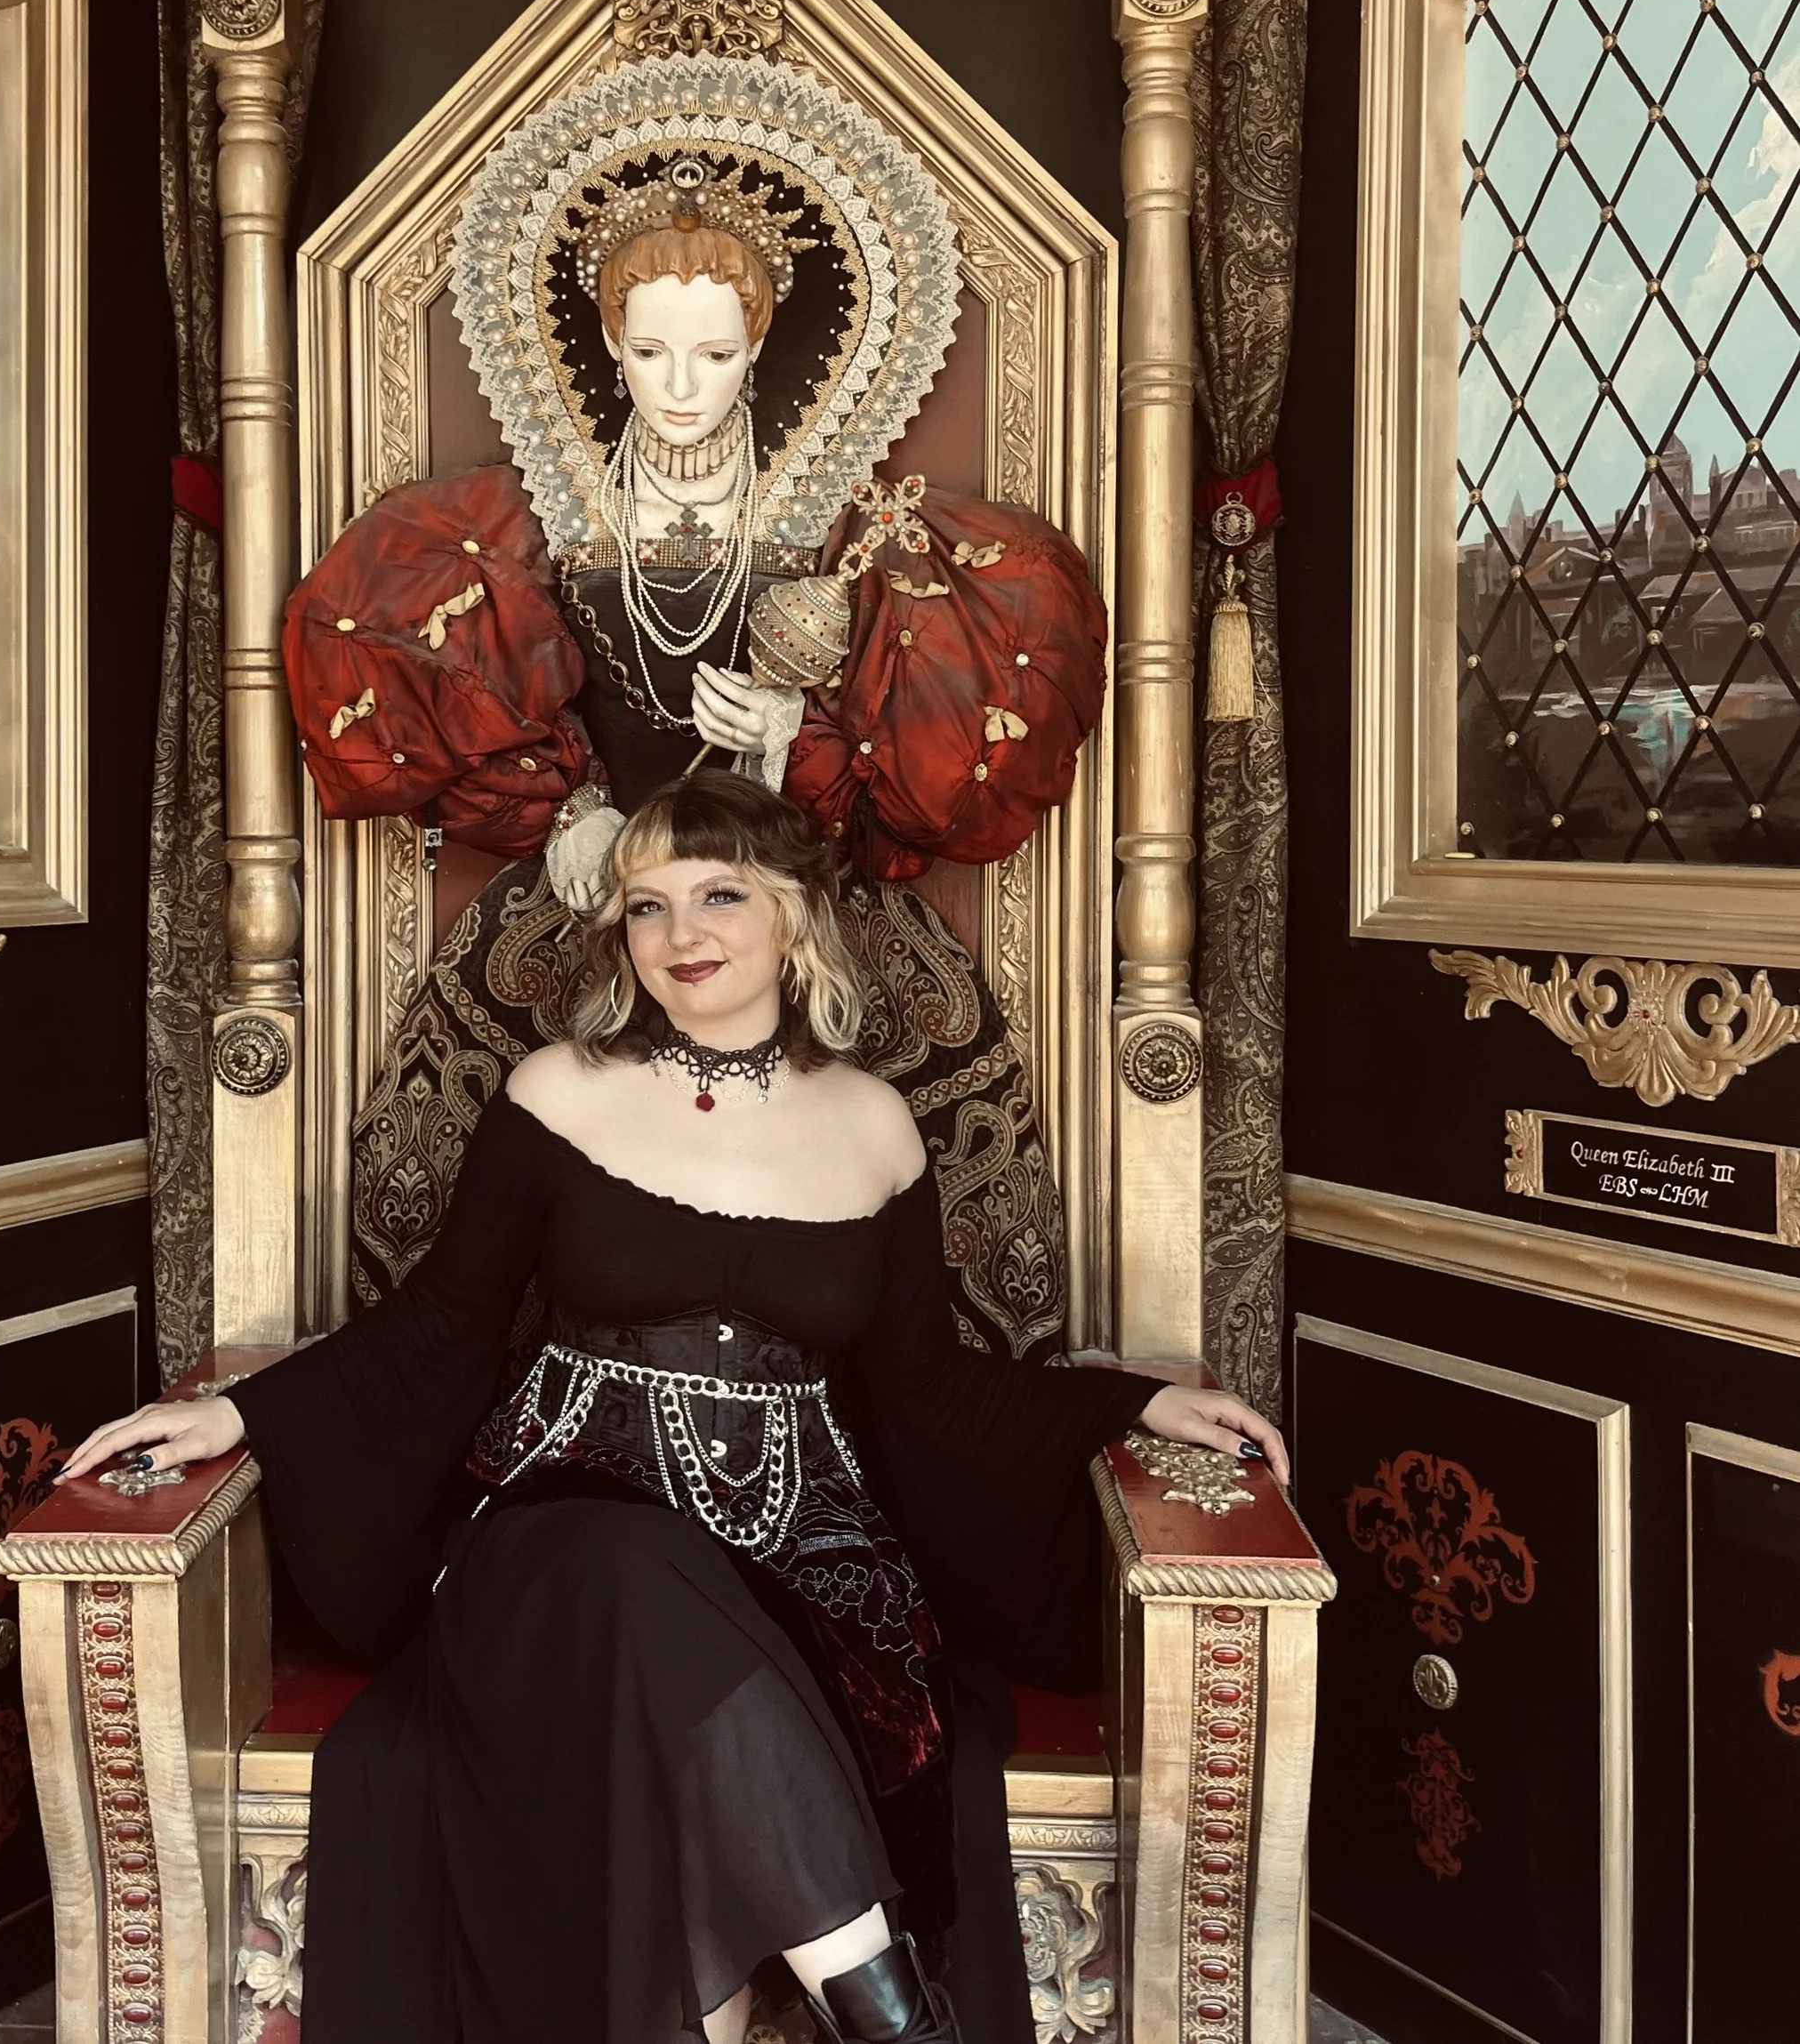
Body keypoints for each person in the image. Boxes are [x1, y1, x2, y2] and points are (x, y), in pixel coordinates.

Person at [65, 771, 1287, 2044]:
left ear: (797, 917)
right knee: (630, 1569)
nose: (681, 935)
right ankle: (890, 2012)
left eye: (718, 897)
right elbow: (441, 1327)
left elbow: (926, 1384)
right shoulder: (557, 1091)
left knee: (702, 1709)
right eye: (646, 907)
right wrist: (241, 1417)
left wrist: (1136, 1405)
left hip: (797, 1557)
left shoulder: (876, 1125)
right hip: (557, 1526)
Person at [290, 53, 1105, 1359]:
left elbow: (945, 742)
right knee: (469, 1177)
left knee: (921, 1154)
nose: (681, 384)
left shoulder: (845, 531)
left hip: (786, 878)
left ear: (760, 348)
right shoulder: (527, 523)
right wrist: (569, 810)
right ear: (608, 341)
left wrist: (797, 742)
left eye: (716, 353)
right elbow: (417, 666)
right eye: (652, 349)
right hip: (603, 876)